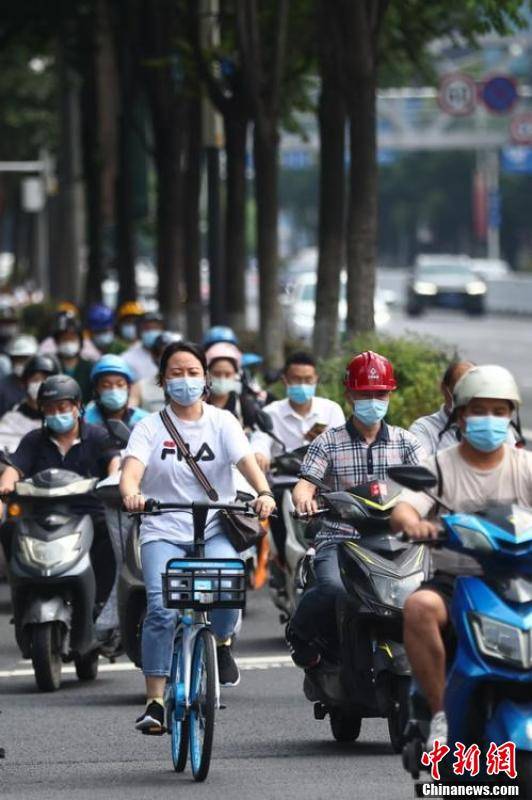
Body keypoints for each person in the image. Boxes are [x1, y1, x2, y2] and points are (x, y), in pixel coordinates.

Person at [120, 341, 276, 734]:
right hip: (162, 529)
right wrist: (132, 494)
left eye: (192, 372)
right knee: (161, 608)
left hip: (215, 525)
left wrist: (264, 492)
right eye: (176, 373)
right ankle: (155, 701)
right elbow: (131, 472)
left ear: (205, 378)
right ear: (162, 380)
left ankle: (221, 643)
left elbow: (246, 463)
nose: (185, 380)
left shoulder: (223, 422)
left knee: (228, 587)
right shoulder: (149, 427)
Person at [390, 364, 532, 750]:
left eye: (499, 412)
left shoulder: (524, 465)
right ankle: (440, 715)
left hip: (522, 579)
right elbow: (405, 508)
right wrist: (413, 524)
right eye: (479, 410)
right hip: (456, 580)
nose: (490, 419)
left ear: (511, 416)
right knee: (419, 607)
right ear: (460, 415)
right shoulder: (439, 466)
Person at [287, 351, 423, 668]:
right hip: (340, 539)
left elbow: (427, 488)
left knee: (426, 593)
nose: (373, 401)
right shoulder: (327, 442)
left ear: (390, 395)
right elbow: (305, 484)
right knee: (333, 588)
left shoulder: (406, 442)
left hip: (396, 542)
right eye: (365, 394)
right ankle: (299, 632)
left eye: (380, 394)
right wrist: (304, 499)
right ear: (349, 395)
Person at [0, 375, 120, 606]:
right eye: (49, 408)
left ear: (77, 406)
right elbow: (15, 468)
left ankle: (100, 602)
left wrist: (115, 480)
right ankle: (22, 595)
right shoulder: (33, 440)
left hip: (88, 515)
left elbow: (114, 462)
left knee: (109, 534)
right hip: (40, 517)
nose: (56, 413)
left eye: (62, 407)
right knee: (9, 528)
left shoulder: (98, 436)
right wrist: (4, 488)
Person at [251, 352, 346, 473]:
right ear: (285, 380)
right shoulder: (271, 412)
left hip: (322, 480)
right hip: (281, 480)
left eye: (308, 379)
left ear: (316, 379)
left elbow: (343, 449)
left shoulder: (331, 410)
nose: (302, 385)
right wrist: (259, 454)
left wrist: (324, 444)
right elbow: (260, 441)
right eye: (296, 379)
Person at [409, 361, 474, 455]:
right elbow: (419, 462)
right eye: (459, 390)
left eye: (472, 390)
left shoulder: (487, 428)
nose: (466, 397)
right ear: (443, 387)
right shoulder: (424, 429)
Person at [0, 354, 60, 453]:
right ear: (25, 383)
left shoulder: (63, 419)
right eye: (35, 379)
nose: (40, 384)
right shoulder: (11, 420)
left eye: (45, 379)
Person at [84, 354, 148, 431]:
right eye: (106, 385)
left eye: (120, 385)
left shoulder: (144, 421)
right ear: (97, 389)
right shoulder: (85, 420)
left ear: (128, 388)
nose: (114, 390)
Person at [206, 342, 259, 429]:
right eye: (216, 374)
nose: (222, 379)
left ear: (236, 375)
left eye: (228, 374)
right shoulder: (199, 404)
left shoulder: (244, 405)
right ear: (207, 375)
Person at [129, 331, 182, 413]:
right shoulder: (140, 387)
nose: (172, 359)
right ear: (155, 356)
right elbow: (130, 413)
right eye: (166, 354)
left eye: (176, 354)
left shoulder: (194, 385)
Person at [51, 313, 94, 403]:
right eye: (64, 339)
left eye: (72, 338)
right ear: (57, 342)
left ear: (80, 341)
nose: (68, 342)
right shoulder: (50, 366)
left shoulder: (90, 367)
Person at [0, 334, 39, 417]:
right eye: (17, 359)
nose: (21, 363)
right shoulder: (2, 386)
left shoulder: (41, 383)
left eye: (25, 359)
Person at [122, 311, 165, 382]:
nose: (151, 331)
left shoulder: (171, 355)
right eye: (147, 328)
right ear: (139, 331)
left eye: (155, 328)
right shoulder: (126, 359)